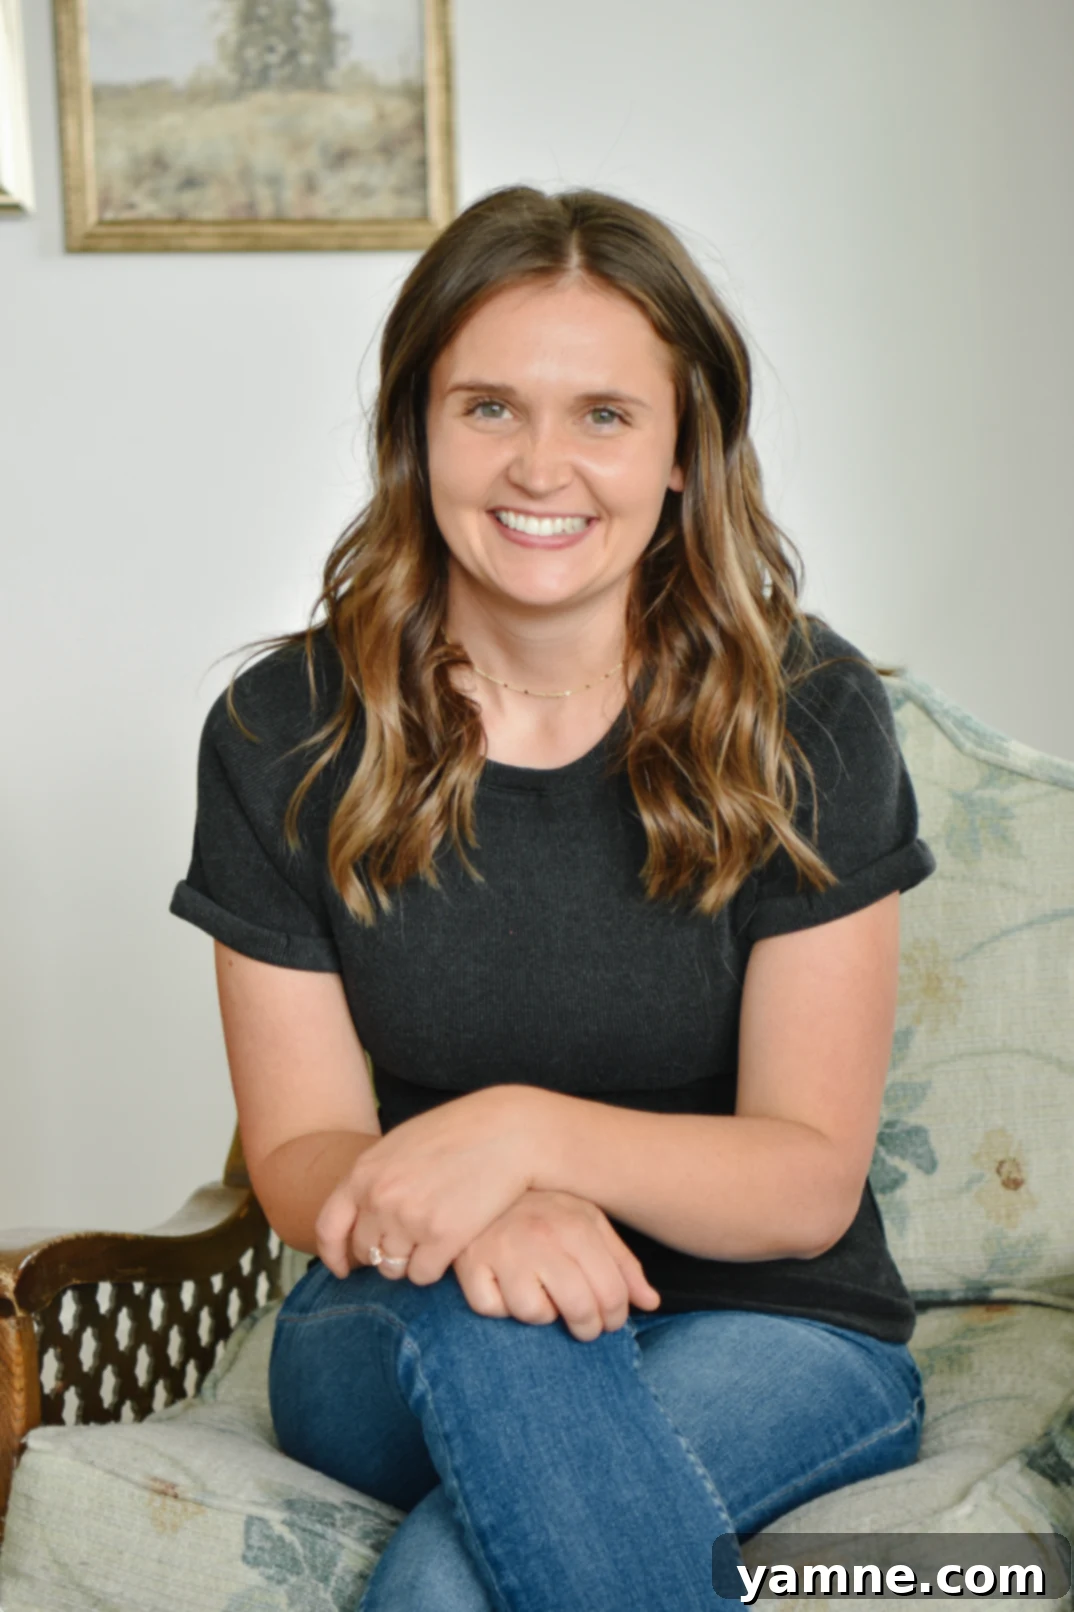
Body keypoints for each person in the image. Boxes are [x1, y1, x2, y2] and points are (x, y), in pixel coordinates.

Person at [170, 184, 936, 1611]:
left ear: (681, 454)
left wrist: (518, 1141)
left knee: (448, 1586)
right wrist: (475, 1223)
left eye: (602, 414)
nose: (541, 466)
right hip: (405, 1305)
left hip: (771, 1328)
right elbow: (301, 1150)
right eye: (486, 408)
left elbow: (802, 1179)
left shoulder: (804, 713)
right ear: (413, 430)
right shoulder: (281, 733)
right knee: (493, 1325)